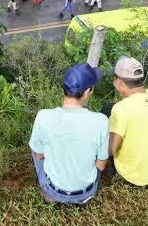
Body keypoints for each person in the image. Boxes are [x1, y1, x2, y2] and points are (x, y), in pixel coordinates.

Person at [29, 63, 109, 205]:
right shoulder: (101, 121)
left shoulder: (43, 116)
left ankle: (50, 193)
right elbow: (101, 166)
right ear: (87, 91)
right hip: (86, 193)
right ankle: (80, 198)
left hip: (54, 191)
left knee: (35, 146)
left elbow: (39, 156)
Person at [107, 57, 148, 187]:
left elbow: (111, 150)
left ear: (119, 82)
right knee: (108, 107)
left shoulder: (121, 109)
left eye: (113, 78)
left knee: (107, 111)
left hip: (132, 176)